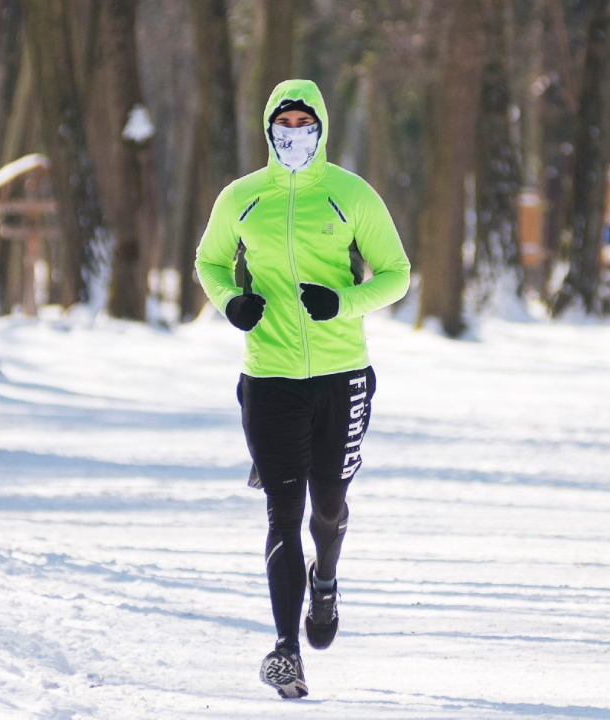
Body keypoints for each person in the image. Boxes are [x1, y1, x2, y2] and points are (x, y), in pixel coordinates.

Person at [195, 79, 410, 699]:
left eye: (304, 124)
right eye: (284, 125)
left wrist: (342, 301)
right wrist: (231, 303)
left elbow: (396, 276)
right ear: (269, 131)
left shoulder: (349, 195)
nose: (294, 135)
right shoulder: (242, 198)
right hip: (269, 377)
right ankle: (286, 650)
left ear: (320, 129)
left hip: (342, 376)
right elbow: (209, 262)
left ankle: (327, 578)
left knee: (329, 508)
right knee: (282, 513)